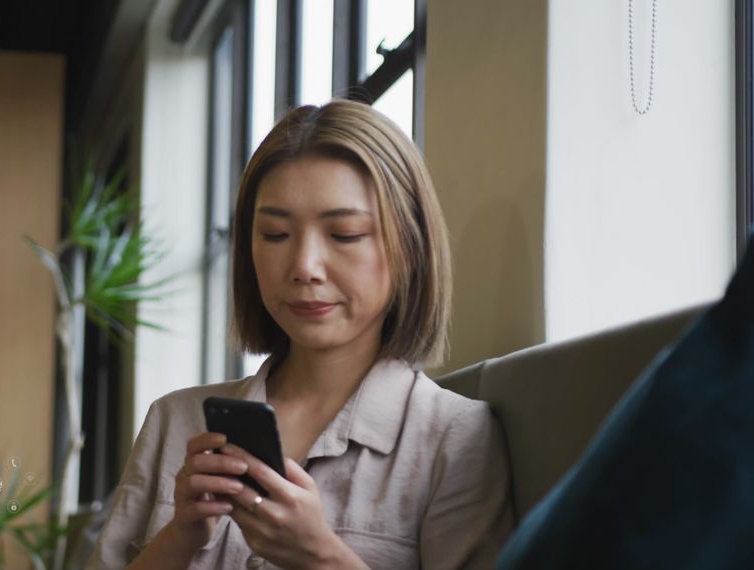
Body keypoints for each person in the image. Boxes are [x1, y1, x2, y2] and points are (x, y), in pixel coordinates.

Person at [86, 99, 513, 569]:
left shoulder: (452, 437)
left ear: (409, 248)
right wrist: (181, 536)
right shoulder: (176, 421)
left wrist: (322, 557)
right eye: (274, 235)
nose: (304, 267)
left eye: (345, 234)